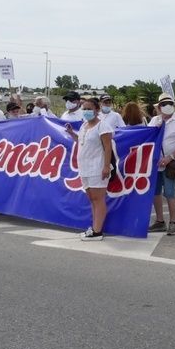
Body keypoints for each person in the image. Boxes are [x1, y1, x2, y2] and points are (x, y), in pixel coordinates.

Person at [64, 97, 114, 241]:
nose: (86, 111)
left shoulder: (103, 126)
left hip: (97, 168)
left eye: (89, 109)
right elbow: (81, 141)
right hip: (84, 168)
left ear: (97, 110)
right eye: (84, 109)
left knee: (98, 199)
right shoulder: (84, 125)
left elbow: (108, 147)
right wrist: (71, 133)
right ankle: (94, 227)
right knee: (92, 199)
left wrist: (106, 166)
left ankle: (98, 231)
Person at [147, 93, 175, 235]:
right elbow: (147, 138)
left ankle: (173, 222)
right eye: (163, 104)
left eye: (169, 104)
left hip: (170, 163)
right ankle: (160, 221)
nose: (167, 106)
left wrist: (169, 157)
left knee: (169, 192)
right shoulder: (154, 120)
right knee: (155, 192)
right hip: (155, 163)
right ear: (159, 107)